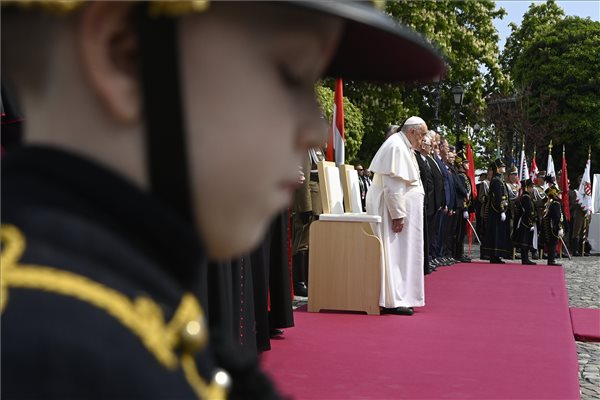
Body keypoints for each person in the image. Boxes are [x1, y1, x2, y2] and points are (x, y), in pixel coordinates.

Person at [1, 2, 445, 398]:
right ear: (120, 54)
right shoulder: (64, 355)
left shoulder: (109, 321)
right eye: (288, 72)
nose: (312, 128)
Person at [367, 116, 428, 316]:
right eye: (422, 135)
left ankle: (403, 295)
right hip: (392, 212)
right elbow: (393, 186)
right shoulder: (396, 147)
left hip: (399, 211)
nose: (424, 139)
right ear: (411, 132)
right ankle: (395, 298)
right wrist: (398, 215)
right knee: (395, 255)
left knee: (402, 255)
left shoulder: (404, 146)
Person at [481, 159, 512, 263]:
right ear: (498, 168)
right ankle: (494, 255)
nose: (504, 168)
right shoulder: (496, 180)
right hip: (496, 211)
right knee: (496, 233)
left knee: (498, 233)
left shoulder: (499, 180)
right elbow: (498, 197)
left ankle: (496, 255)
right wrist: (501, 210)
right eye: (502, 166)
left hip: (498, 211)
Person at [415, 134, 436, 273]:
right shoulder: (417, 159)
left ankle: (426, 261)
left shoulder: (426, 160)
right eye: (429, 145)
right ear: (423, 145)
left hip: (428, 202)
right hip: (421, 201)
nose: (431, 148)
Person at [453, 154, 472, 263]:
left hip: (465, 208)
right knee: (459, 231)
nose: (468, 164)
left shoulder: (465, 176)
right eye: (466, 162)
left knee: (462, 232)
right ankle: (457, 253)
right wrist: (465, 208)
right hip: (461, 207)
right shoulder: (460, 176)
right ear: (460, 164)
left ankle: (460, 252)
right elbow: (461, 193)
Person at [513, 179, 537, 265]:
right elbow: (527, 211)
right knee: (524, 240)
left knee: (526, 240)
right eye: (531, 187)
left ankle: (526, 258)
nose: (532, 189)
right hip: (525, 221)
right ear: (527, 188)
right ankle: (525, 259)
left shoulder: (527, 197)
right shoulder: (526, 197)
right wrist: (530, 222)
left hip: (526, 221)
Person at [543, 187, 565, 266]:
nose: (559, 195)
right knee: (553, 243)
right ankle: (551, 260)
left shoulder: (552, 203)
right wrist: (559, 228)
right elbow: (557, 217)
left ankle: (551, 259)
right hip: (553, 227)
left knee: (552, 243)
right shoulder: (556, 204)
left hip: (550, 226)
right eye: (558, 193)